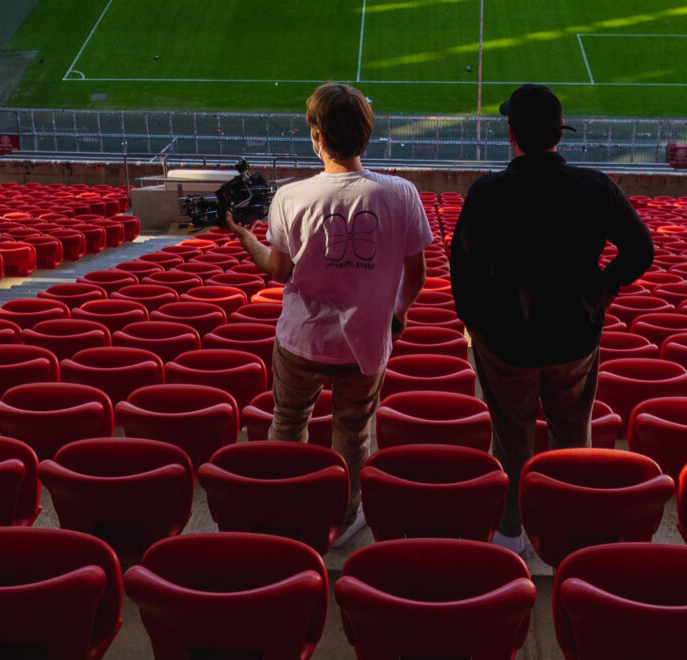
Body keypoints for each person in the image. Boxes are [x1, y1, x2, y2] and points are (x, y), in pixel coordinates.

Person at [450, 82, 654, 552]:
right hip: (574, 337)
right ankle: (569, 520)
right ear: (559, 134)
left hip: (505, 342)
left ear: (511, 134)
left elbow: (462, 268)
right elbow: (641, 248)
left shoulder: (486, 192)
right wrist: (605, 287)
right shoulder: (595, 186)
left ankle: (511, 529)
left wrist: (476, 322)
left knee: (512, 436)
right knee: (572, 432)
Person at [229, 82, 432, 537]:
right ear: (366, 133)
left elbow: (278, 270)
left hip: (301, 341)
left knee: (288, 420)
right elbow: (416, 273)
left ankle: (288, 501)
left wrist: (248, 241)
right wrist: (398, 312)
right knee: (353, 432)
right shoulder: (401, 193)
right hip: (365, 346)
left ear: (317, 136)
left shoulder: (292, 197)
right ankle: (343, 511)